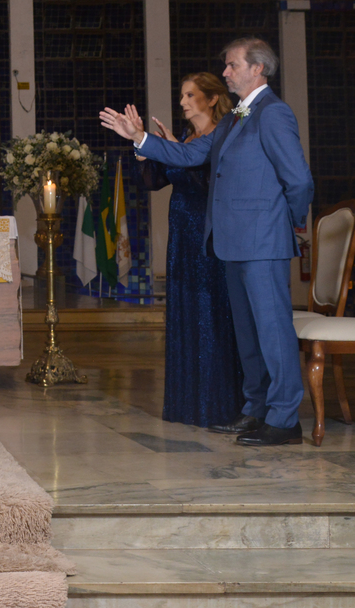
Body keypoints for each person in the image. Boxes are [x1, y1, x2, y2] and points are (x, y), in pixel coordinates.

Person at [101, 37, 313, 446]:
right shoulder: (235, 117)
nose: (226, 73)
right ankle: (255, 410)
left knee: (272, 332)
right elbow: (189, 155)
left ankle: (285, 419)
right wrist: (140, 139)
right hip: (231, 243)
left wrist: (289, 223)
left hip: (263, 242)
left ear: (258, 70)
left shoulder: (274, 113)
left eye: (233, 66)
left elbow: (299, 179)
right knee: (248, 334)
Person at [130, 73, 243, 428]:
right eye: (181, 95)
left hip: (208, 233)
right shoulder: (184, 139)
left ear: (211, 99)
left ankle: (219, 405)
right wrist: (147, 149)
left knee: (211, 315)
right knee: (186, 313)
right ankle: (188, 405)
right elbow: (154, 182)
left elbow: (200, 178)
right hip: (181, 235)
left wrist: (167, 149)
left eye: (190, 95)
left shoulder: (221, 134)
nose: (182, 101)